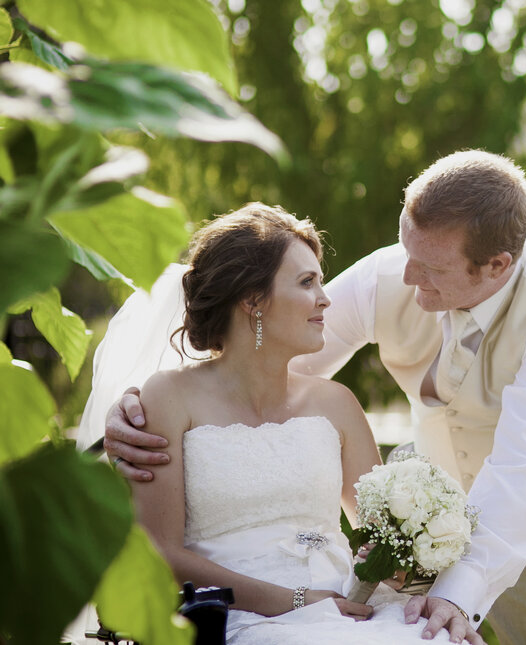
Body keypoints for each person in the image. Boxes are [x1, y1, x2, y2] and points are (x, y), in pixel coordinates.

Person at [104, 150, 526, 644]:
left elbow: (524, 470)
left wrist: (455, 598)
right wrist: (141, 409)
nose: (406, 275)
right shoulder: (392, 271)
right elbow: (255, 367)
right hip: (307, 588)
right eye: (406, 250)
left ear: (496, 266)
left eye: (432, 269)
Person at [116, 203, 482, 645]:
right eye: (307, 283)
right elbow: (161, 553)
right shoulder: (169, 398)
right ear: (252, 301)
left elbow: (382, 536)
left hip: (345, 605)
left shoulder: (336, 404)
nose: (326, 299)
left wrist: (401, 555)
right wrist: (295, 600)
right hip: (236, 614)